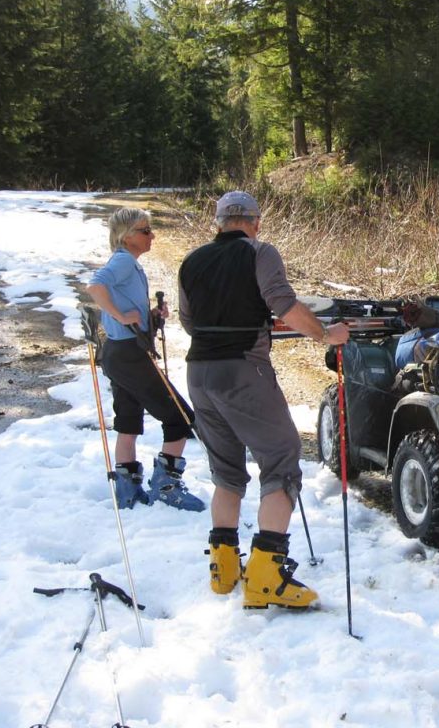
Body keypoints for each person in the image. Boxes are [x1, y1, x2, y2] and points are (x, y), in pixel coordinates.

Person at [178, 191, 349, 609]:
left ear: (218, 222)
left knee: (227, 470)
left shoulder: (192, 261)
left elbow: (187, 321)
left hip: (199, 373)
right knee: (281, 460)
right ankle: (266, 577)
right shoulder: (260, 252)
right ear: (254, 221)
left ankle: (223, 570)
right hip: (243, 372)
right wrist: (327, 335)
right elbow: (283, 304)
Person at [86, 208, 204, 512]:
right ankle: (167, 487)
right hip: (129, 355)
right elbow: (95, 287)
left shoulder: (129, 263)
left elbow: (122, 306)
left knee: (128, 422)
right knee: (180, 417)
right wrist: (120, 315)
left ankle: (127, 491)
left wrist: (150, 318)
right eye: (145, 230)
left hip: (118, 352)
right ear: (127, 237)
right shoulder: (124, 260)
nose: (152, 235)